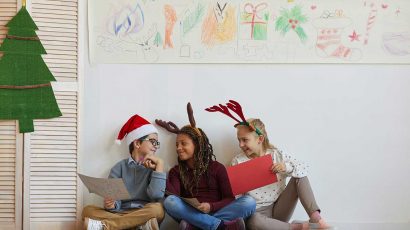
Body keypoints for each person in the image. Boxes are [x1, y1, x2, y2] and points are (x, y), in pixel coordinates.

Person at [206, 100, 332, 230]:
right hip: (257, 214)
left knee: (299, 176)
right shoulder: (237, 161)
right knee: (254, 222)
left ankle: (316, 218)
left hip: (279, 208)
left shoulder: (276, 155)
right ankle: (299, 227)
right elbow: (237, 199)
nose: (241, 145)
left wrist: (286, 167)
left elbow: (304, 168)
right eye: (239, 140)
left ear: (260, 139)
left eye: (245, 140)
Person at [156, 103, 256, 230]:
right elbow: (173, 197)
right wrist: (158, 169)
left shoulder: (217, 168)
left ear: (197, 144)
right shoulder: (176, 171)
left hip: (214, 212)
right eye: (177, 145)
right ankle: (219, 226)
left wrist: (211, 206)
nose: (179, 148)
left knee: (249, 202)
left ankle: (198, 226)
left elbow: (229, 199)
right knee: (170, 201)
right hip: (192, 213)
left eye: (183, 143)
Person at [82, 114, 166, 230]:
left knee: (158, 209)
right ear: (137, 143)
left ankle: (108, 226)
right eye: (153, 141)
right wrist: (111, 204)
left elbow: (156, 195)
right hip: (120, 213)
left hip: (144, 213)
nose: (156, 146)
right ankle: (137, 226)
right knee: (87, 210)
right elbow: (114, 201)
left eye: (157, 143)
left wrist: (160, 165)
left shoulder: (156, 167)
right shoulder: (119, 168)